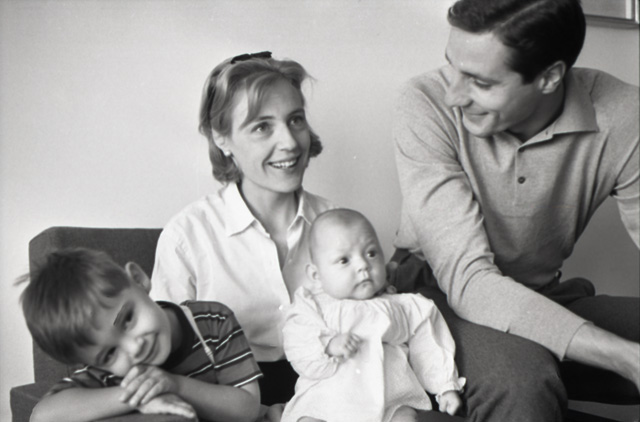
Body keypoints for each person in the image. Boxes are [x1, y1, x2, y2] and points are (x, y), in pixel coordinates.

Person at [392, 0, 640, 420]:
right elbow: (469, 282)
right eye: (452, 66)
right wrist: (625, 357)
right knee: (522, 379)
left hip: (540, 293)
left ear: (549, 77)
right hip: (432, 299)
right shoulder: (425, 102)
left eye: (480, 82)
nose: (454, 95)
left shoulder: (625, 114)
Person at [149, 51, 333, 407]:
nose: (290, 142)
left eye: (295, 120)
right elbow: (164, 361)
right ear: (222, 138)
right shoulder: (187, 237)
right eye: (262, 127)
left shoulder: (337, 221)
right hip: (230, 403)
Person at [19, 248, 262, 422]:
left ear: (138, 280)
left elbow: (248, 409)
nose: (134, 348)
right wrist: (136, 397)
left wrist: (174, 384)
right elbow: (42, 416)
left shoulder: (214, 320)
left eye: (127, 320)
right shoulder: (109, 373)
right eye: (110, 354)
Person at [282, 208, 465, 422]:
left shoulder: (403, 305)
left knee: (406, 417)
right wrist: (328, 345)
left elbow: (430, 344)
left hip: (390, 402)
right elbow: (297, 341)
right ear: (316, 275)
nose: (363, 265)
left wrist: (445, 386)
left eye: (371, 253)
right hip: (327, 404)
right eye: (344, 260)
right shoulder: (313, 305)